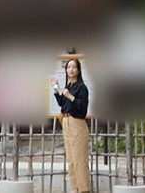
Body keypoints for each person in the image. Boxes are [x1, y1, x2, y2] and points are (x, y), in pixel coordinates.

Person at [52, 58, 91, 193]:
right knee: (71, 160)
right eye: (68, 67)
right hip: (66, 122)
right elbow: (62, 103)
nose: (71, 70)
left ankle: (84, 190)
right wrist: (56, 88)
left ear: (78, 70)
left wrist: (71, 96)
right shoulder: (68, 86)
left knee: (80, 160)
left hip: (77, 123)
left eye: (74, 67)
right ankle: (75, 188)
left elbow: (83, 109)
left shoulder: (82, 87)